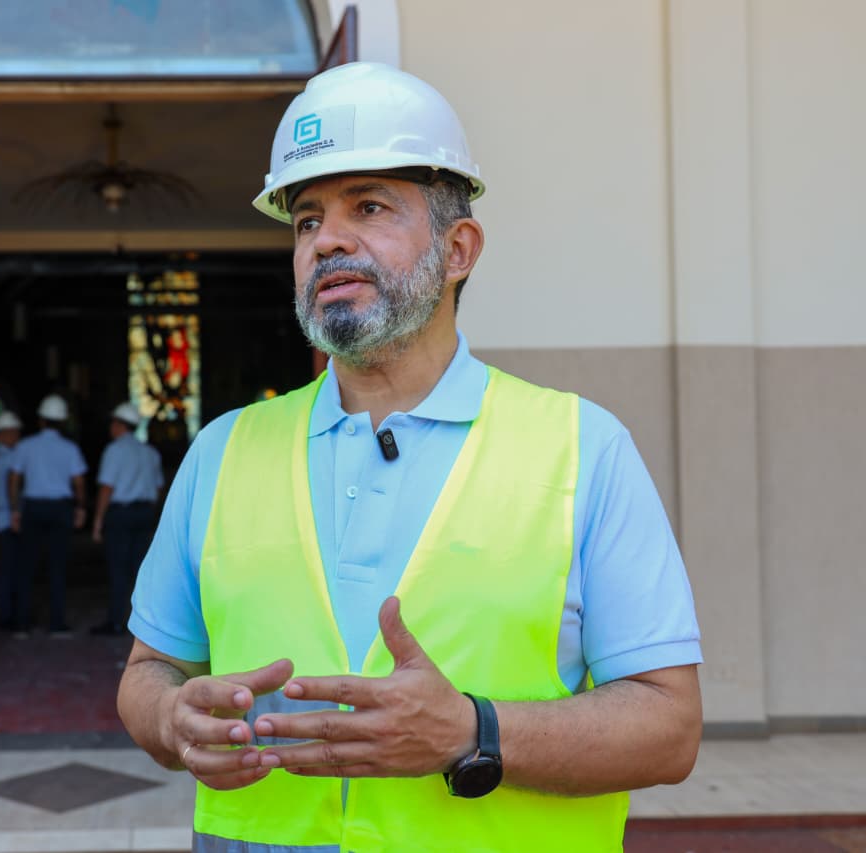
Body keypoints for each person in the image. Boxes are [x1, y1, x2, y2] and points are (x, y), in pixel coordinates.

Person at [116, 62, 702, 851]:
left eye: (370, 207)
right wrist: (169, 717)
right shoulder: (222, 453)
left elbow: (669, 727)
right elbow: (148, 671)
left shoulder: (583, 450)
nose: (329, 239)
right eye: (306, 220)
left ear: (458, 249)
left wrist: (470, 730)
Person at [9, 394, 87, 637]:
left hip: (32, 507)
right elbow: (79, 482)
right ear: (62, 422)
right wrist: (80, 507)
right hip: (60, 509)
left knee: (27, 566)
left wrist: (14, 509)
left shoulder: (25, 446)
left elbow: (14, 480)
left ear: (41, 420)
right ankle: (56, 624)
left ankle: (22, 624)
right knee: (57, 567)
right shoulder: (70, 448)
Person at [90, 402, 164, 636]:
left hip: (120, 514)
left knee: (118, 569)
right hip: (144, 513)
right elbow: (159, 488)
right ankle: (146, 627)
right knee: (141, 570)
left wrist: (98, 519)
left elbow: (107, 488)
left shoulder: (114, 450)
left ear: (119, 425)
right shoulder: (150, 452)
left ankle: (116, 621)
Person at [0, 410, 23, 632]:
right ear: (5, 434)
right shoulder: (8, 459)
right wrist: (16, 512)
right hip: (10, 519)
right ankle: (7, 616)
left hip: (3, 517)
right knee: (11, 569)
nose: (18, 437)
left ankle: (7, 613)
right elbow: (12, 489)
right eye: (15, 433)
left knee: (9, 568)